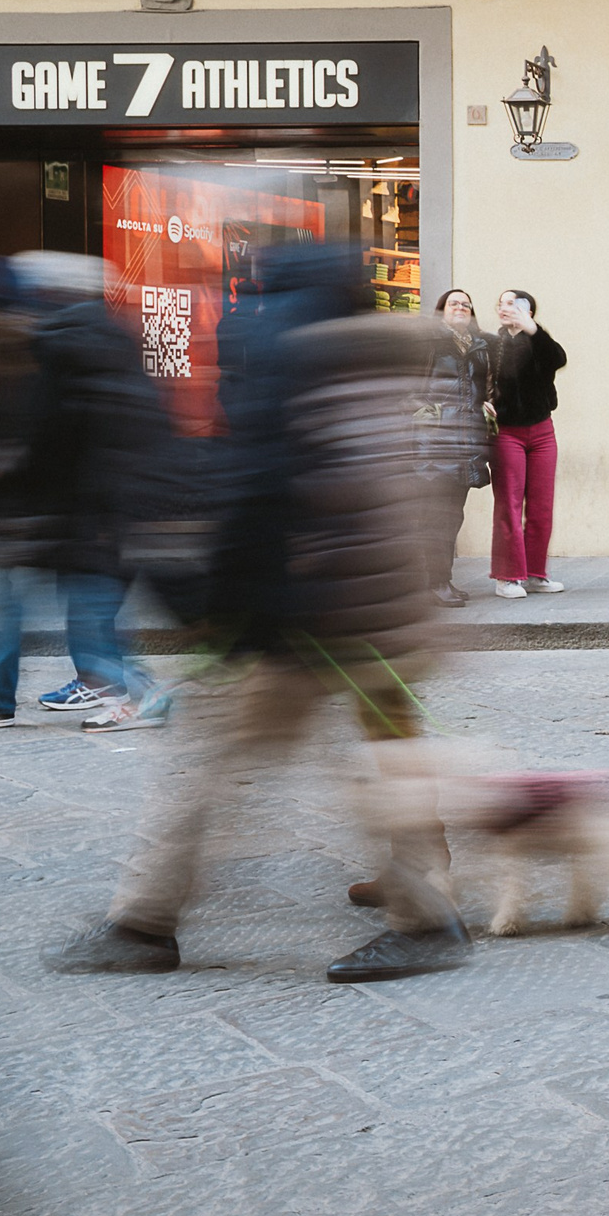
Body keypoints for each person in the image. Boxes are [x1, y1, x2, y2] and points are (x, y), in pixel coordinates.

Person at [45, 241, 475, 984]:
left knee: (205, 757)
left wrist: (216, 608)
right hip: (382, 600)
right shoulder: (382, 358)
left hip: (311, 610)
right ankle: (422, 895)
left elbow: (263, 485)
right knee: (389, 753)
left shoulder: (290, 357)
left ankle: (144, 922)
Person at [0, 254, 172, 733]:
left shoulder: (61, 348)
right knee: (65, 610)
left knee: (83, 615)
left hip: (83, 513)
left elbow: (52, 439)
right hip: (85, 512)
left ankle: (136, 694)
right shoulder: (94, 342)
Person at [419, 289, 496, 608]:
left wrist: (488, 404)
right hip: (436, 444)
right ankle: (435, 583)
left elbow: (484, 389)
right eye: (454, 303)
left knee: (452, 516)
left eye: (466, 304)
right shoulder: (428, 342)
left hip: (465, 442)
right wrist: (427, 421)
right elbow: (410, 389)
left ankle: (442, 579)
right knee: (436, 517)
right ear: (442, 310)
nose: (461, 308)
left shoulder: (479, 347)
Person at [489, 288, 566, 599]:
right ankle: (507, 577)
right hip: (507, 432)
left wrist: (533, 330)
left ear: (528, 311)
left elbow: (558, 359)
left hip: (542, 430)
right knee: (508, 504)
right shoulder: (492, 344)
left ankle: (535, 574)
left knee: (541, 506)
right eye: (502, 303)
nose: (505, 307)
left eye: (513, 303)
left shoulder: (539, 342)